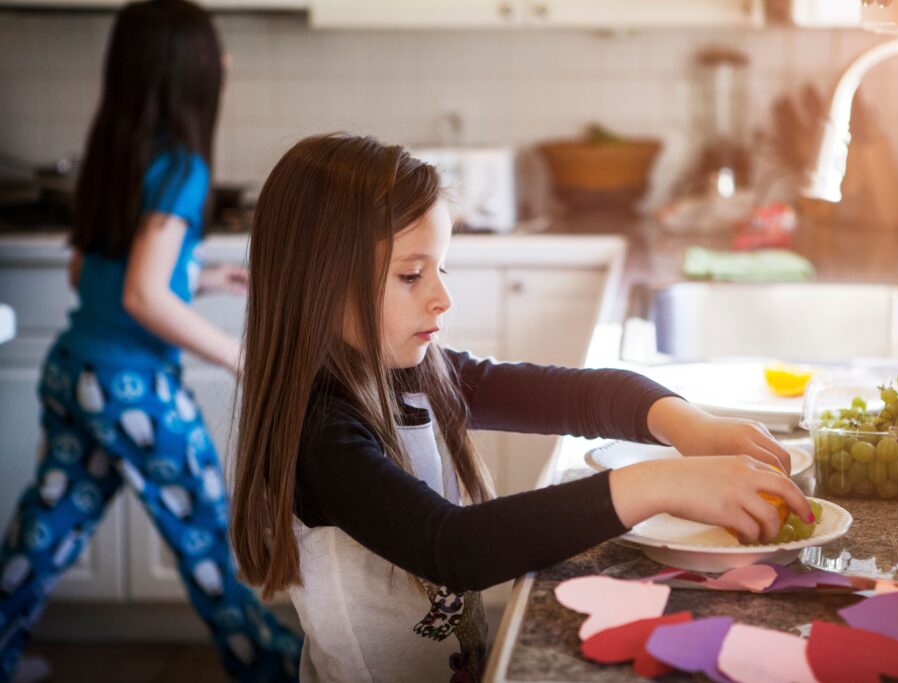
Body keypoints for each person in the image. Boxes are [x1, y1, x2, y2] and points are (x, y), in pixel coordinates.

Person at [230, 133, 813, 683]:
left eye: (441, 266)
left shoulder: (414, 373)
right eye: (411, 274)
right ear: (321, 285)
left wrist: (690, 424)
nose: (442, 296)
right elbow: (455, 548)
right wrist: (657, 484)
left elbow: (579, 395)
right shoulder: (322, 434)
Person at [0, 2, 301, 681]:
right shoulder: (182, 167)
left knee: (43, 533)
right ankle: (273, 672)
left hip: (76, 368)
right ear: (185, 71)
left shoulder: (113, 153)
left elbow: (93, 275)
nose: (224, 62)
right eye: (212, 51)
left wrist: (197, 278)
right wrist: (238, 357)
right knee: (206, 538)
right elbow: (140, 295)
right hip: (130, 383)